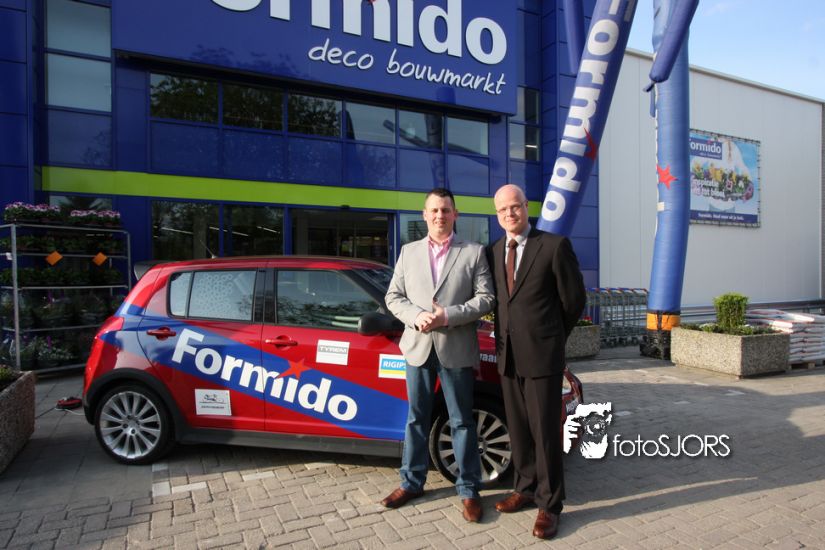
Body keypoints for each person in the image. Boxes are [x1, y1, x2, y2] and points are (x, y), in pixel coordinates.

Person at [382, 187, 495, 523]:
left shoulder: (473, 252)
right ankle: (411, 482)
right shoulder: (408, 252)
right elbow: (393, 296)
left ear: (455, 214)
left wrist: (447, 316)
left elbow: (486, 298)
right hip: (417, 347)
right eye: (434, 210)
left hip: (455, 347)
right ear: (424, 214)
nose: (439, 215)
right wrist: (416, 315)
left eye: (445, 210)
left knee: (461, 420)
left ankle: (469, 489)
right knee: (416, 418)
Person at [486, 184, 586, 539]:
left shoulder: (554, 246)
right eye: (503, 210)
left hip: (543, 357)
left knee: (545, 434)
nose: (509, 214)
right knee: (519, 429)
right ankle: (525, 488)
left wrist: (553, 339)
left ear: (526, 206)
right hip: (508, 357)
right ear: (497, 215)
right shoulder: (494, 250)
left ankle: (550, 505)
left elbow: (574, 301)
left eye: (515, 206)